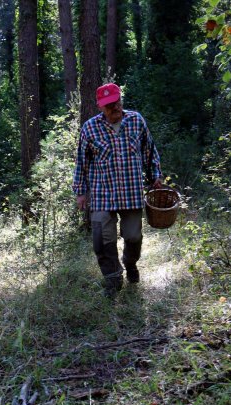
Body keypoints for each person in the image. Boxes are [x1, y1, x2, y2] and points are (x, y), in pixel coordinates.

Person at [72, 83, 163, 298]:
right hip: (103, 193)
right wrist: (80, 191)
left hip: (131, 192)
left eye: (117, 103)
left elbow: (150, 151)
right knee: (102, 239)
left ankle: (130, 263)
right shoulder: (90, 128)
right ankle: (113, 280)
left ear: (121, 100)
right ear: (100, 107)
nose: (115, 108)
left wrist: (155, 176)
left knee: (133, 237)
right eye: (109, 106)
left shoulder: (136, 121)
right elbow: (81, 162)